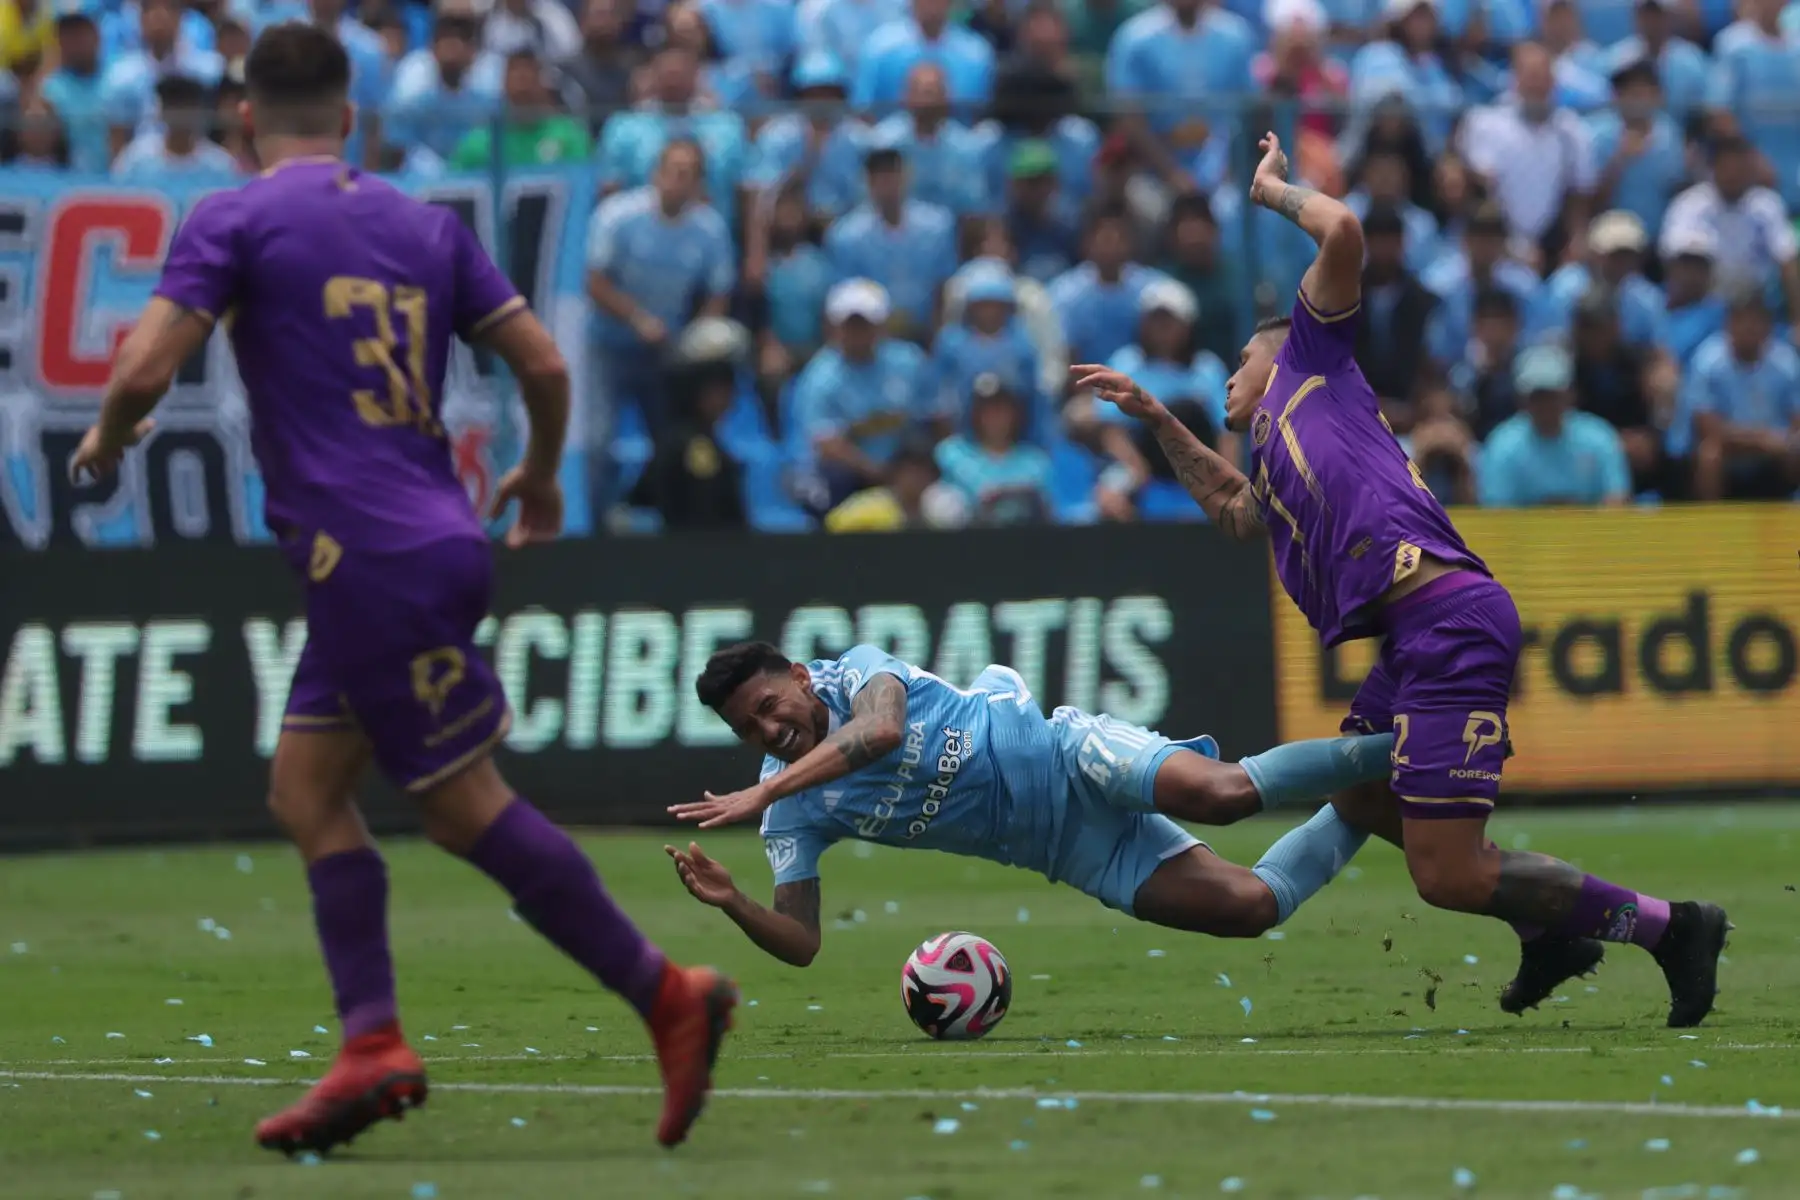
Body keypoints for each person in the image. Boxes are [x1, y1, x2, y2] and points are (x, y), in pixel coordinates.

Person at [68, 23, 735, 1157]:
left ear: (242, 123)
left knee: (459, 805)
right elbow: (547, 363)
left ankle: (665, 994)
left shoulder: (232, 215)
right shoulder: (422, 222)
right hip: (421, 536)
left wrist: (105, 439)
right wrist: (539, 471)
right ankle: (372, 1038)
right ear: (355, 123)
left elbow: (141, 367)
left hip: (362, 554)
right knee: (304, 790)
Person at [1075, 130, 1728, 1028]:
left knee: (1446, 876)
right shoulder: (1275, 456)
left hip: (1447, 618)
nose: (1228, 379)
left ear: (1273, 355)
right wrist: (1156, 419)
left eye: (1237, 364)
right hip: (1414, 635)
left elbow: (1341, 232)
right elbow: (1232, 510)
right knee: (1362, 794)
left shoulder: (1312, 366)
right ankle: (1548, 934)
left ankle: (1674, 929)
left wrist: (1268, 189)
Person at [666, 642, 1399, 960]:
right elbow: (801, 943)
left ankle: (1408, 746)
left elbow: (882, 730)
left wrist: (764, 787)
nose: (769, 729)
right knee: (1252, 909)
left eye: (769, 705)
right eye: (747, 728)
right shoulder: (792, 813)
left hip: (1070, 757)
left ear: (797, 676)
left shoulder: (856, 672)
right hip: (1065, 850)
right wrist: (735, 901)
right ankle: (1355, 809)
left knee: (1225, 794)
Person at [1476, 344, 1633, 508]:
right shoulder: (1502, 445)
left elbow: (1617, 498)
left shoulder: (1599, 437)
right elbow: (1497, 510)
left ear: (1570, 394)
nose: (1545, 404)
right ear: (1521, 399)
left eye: (1552, 395)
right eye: (1537, 396)